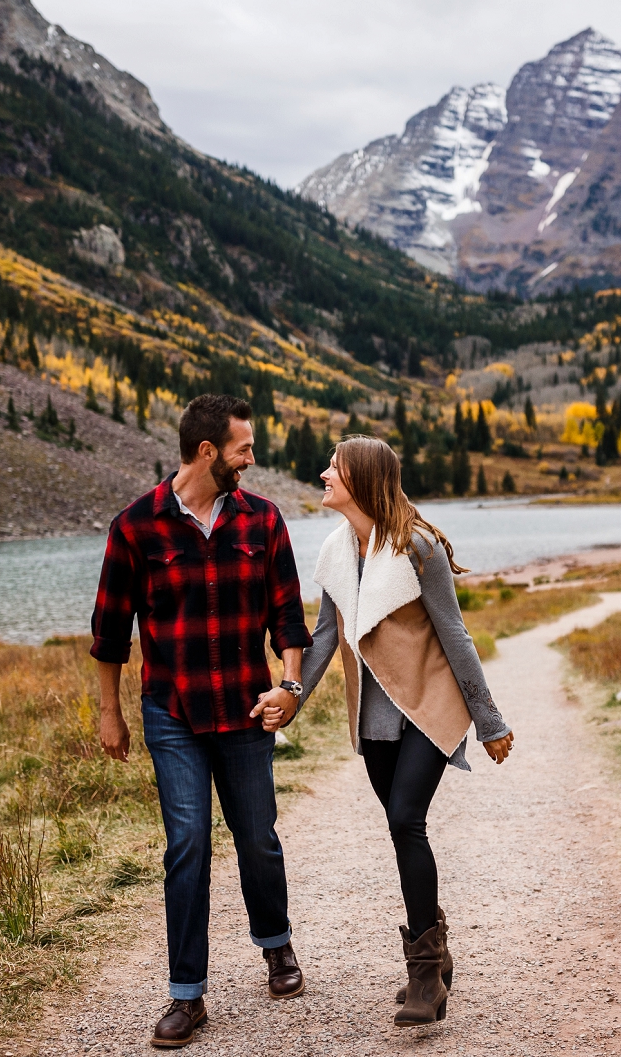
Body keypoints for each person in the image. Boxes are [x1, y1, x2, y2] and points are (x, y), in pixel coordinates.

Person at [257, 434, 513, 1028]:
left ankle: (424, 973)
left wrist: (489, 719)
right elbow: (324, 637)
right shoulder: (336, 551)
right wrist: (293, 694)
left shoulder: (417, 547)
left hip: (429, 707)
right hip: (373, 717)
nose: (323, 475)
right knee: (404, 832)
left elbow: (456, 636)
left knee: (406, 819)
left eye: (334, 469)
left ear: (362, 480)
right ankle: (437, 951)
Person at [90, 394, 313, 1049]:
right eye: (243, 447)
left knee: (257, 838)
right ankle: (187, 995)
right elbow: (109, 635)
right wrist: (111, 713)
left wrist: (290, 685)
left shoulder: (262, 520)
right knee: (186, 844)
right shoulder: (135, 527)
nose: (252, 457)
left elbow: (288, 619)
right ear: (208, 450)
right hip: (172, 712)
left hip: (246, 708)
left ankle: (275, 944)